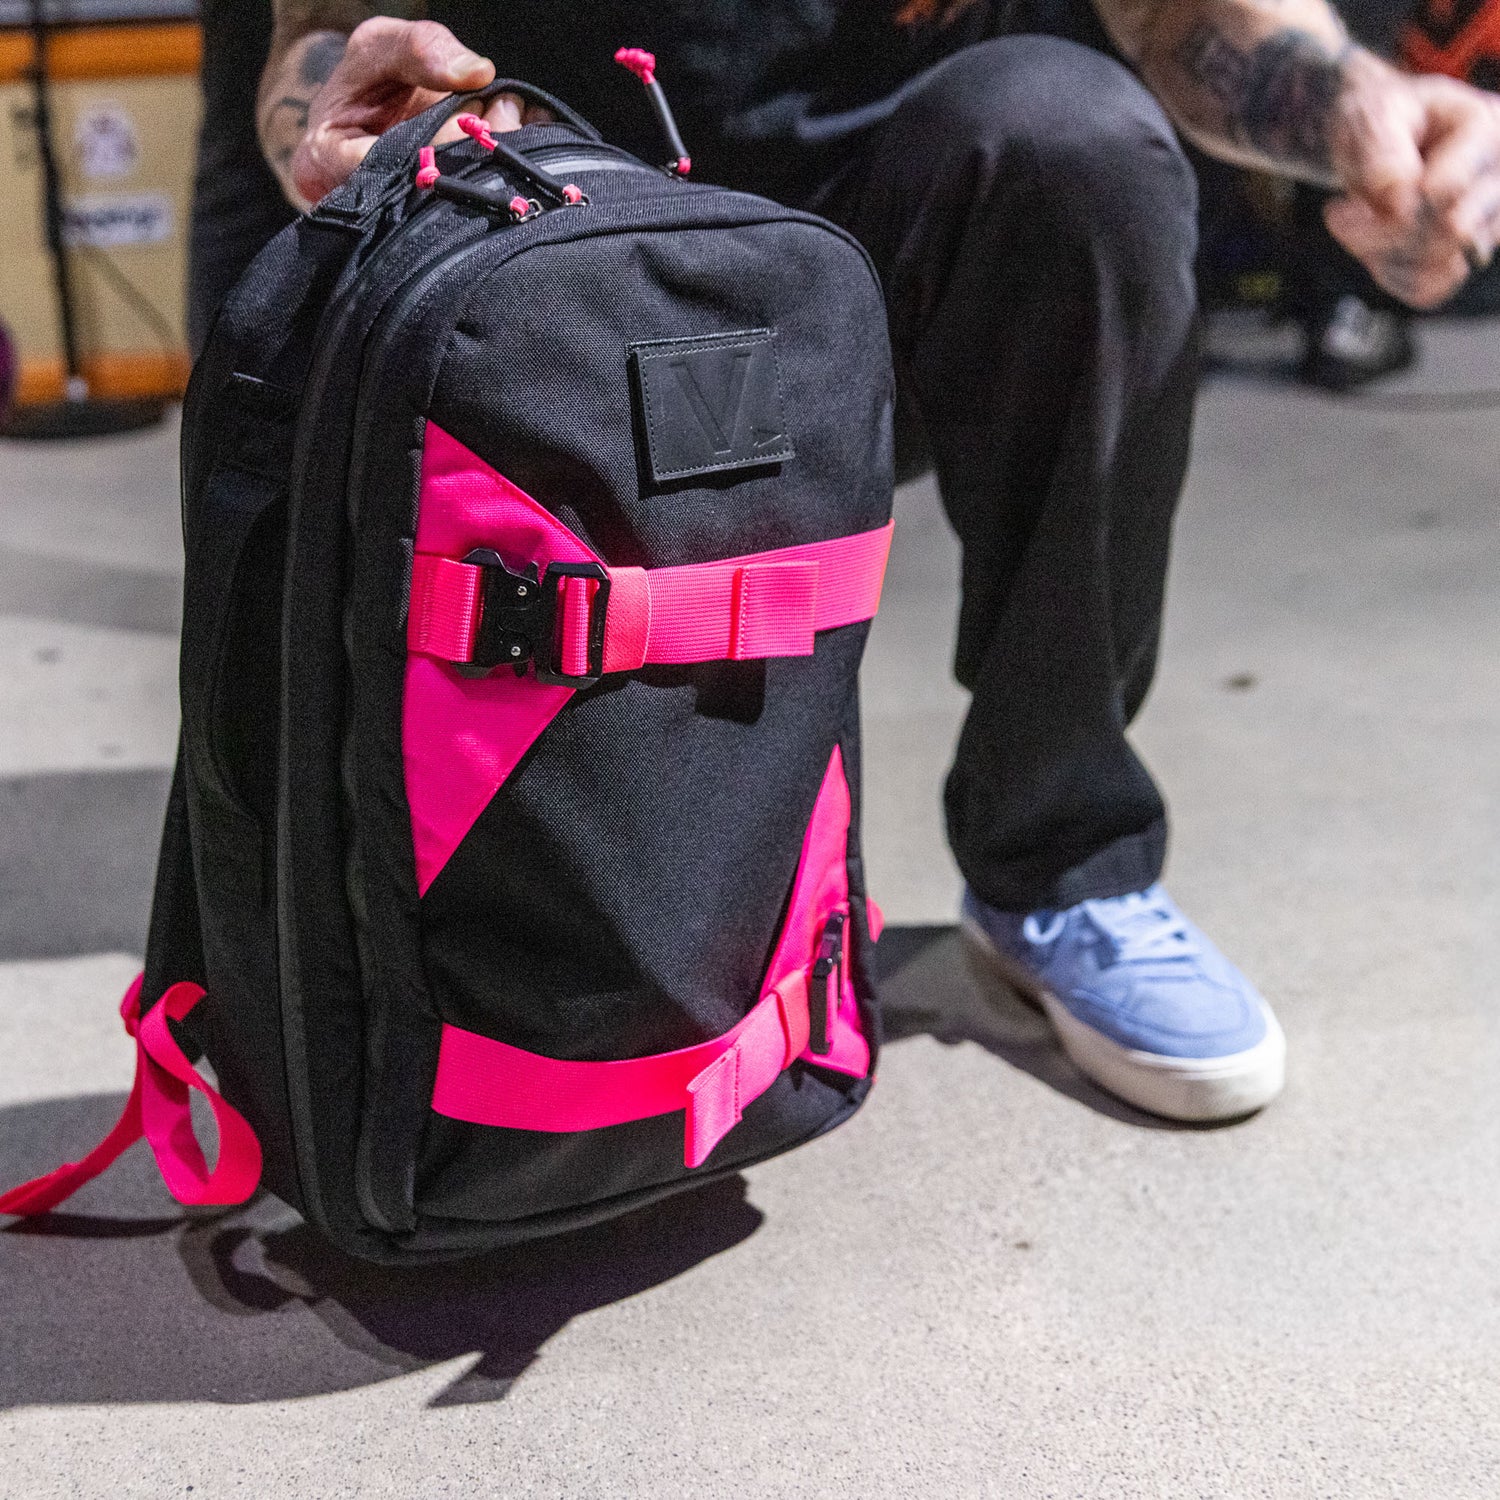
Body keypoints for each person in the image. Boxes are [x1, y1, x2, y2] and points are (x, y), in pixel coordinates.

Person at [190, 0, 1500, 1123]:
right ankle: (432, 909)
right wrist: (349, 94)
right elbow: (315, 37)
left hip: (869, 246)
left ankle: (1062, 856)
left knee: (1077, 142)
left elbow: (1180, 19)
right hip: (536, 237)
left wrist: (1359, 113)